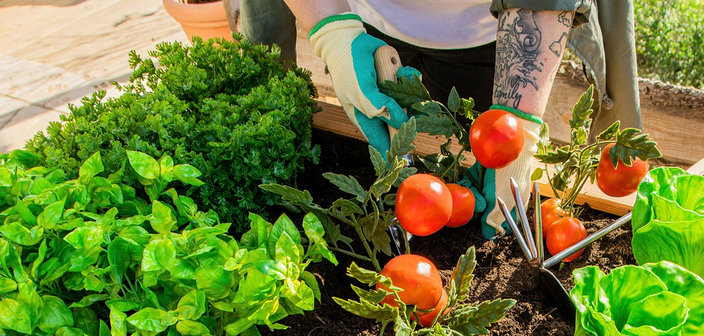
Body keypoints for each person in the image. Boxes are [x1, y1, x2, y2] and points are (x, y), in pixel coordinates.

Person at [241, 0, 641, 237]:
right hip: (357, 16)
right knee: (382, 116)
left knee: (481, 163)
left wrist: (517, 118)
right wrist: (331, 28)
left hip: (492, 29)